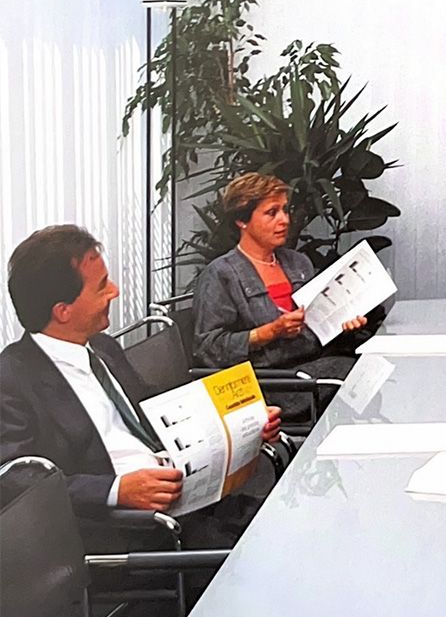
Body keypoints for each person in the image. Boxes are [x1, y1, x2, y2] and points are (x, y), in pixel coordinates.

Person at [0, 225, 282, 534]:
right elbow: (18, 481)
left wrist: (242, 420)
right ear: (63, 311)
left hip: (189, 495)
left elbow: (151, 406)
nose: (115, 291)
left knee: (288, 522)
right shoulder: (12, 379)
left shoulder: (102, 347)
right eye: (102, 286)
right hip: (128, 529)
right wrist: (116, 490)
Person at [193, 173, 369, 381]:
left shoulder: (298, 263)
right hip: (267, 381)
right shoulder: (221, 274)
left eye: (285, 210)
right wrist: (270, 332)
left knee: (368, 367)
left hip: (312, 365)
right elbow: (207, 349)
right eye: (271, 213)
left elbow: (317, 328)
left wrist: (344, 325)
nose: (284, 220)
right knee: (350, 376)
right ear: (242, 220)